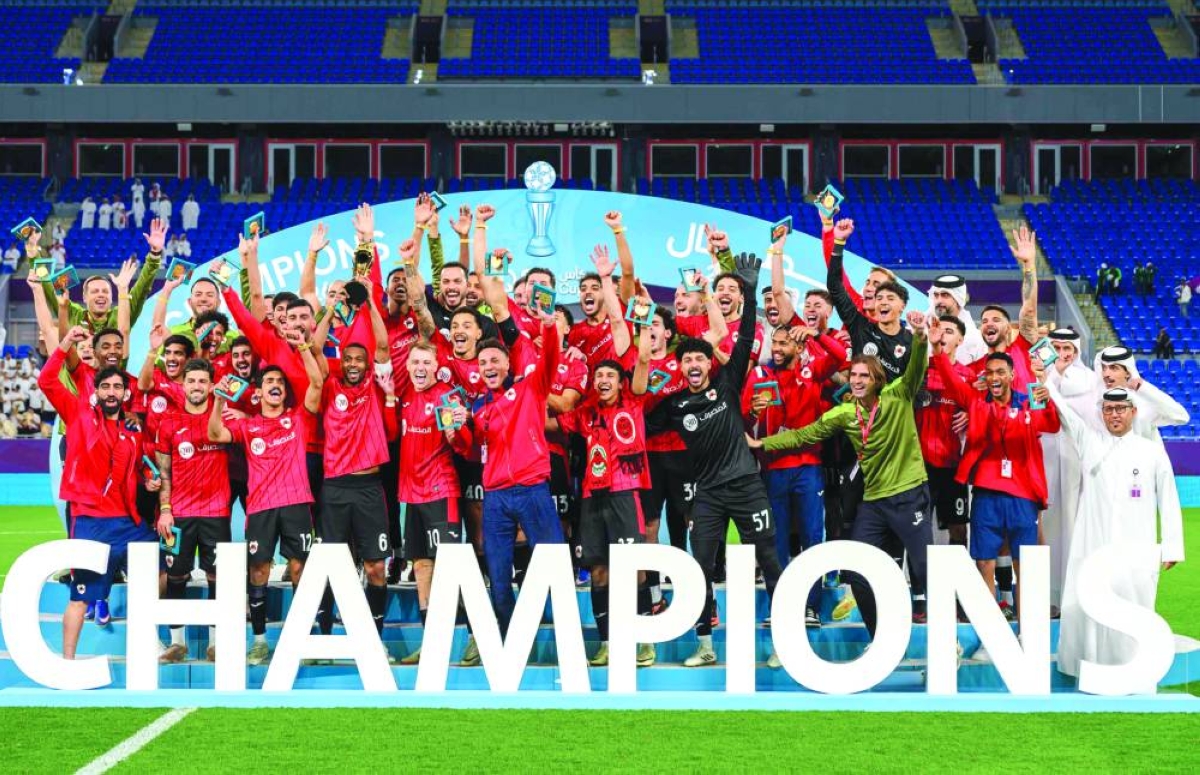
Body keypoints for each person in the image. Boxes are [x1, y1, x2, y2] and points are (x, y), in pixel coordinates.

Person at [752, 311, 933, 646]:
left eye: (865, 375)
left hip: (909, 495)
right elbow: (804, 435)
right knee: (857, 574)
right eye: (854, 375)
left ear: (878, 380)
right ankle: (882, 640)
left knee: (927, 570)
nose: (858, 380)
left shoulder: (898, 395)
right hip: (874, 501)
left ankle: (944, 639)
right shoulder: (845, 413)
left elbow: (916, 366)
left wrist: (921, 337)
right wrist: (763, 442)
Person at [661, 253, 784, 668]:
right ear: (680, 367)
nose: (694, 363)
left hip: (748, 487)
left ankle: (785, 642)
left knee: (768, 559)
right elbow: (633, 404)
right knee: (700, 568)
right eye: (687, 359)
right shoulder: (674, 405)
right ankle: (705, 643)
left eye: (700, 358)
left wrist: (749, 291)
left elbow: (747, 339)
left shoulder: (728, 385)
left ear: (710, 363)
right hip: (709, 495)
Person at [1049, 384, 1184, 693]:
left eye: (1120, 409)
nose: (1114, 415)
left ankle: (1133, 669)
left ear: (1133, 412)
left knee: (1134, 602)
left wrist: (1172, 546)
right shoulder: (1090, 443)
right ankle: (1091, 670)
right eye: (1108, 410)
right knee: (1087, 609)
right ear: (1102, 413)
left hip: (1136, 547)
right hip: (1093, 546)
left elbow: (1169, 497)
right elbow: (1066, 415)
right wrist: (1045, 383)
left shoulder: (1151, 451)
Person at [37, 326, 157, 659]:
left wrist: (149, 480)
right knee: (80, 597)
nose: (111, 392)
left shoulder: (133, 431)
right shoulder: (77, 413)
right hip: (90, 521)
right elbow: (46, 382)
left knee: (160, 575)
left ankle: (154, 646)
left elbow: (142, 468)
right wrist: (63, 345)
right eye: (105, 386)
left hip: (129, 523)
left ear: (124, 393)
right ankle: (68, 661)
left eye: (118, 386)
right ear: (97, 390)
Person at [447, 306, 565, 636]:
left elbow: (550, 361)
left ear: (507, 363)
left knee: (552, 567)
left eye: (494, 360)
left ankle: (560, 644)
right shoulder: (478, 406)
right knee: (498, 578)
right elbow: (471, 449)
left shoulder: (530, 387)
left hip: (532, 490)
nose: (488, 366)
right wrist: (456, 430)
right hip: (496, 497)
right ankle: (509, 643)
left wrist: (549, 328)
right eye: (483, 363)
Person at [928, 323, 1060, 616]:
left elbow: (1050, 425)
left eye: (1001, 372)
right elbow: (950, 380)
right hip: (986, 493)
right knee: (984, 562)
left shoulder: (1029, 402)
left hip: (1022, 495)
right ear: (983, 378)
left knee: (1022, 563)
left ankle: (1028, 628)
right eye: (990, 373)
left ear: (1013, 376)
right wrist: (937, 349)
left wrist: (1043, 389)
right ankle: (990, 629)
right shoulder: (975, 401)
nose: (995, 377)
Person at [207, 341, 325, 666]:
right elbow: (215, 434)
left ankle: (303, 639)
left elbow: (317, 384)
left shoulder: (298, 419)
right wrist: (218, 402)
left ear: (285, 393)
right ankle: (259, 641)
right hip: (260, 507)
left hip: (297, 503)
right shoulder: (248, 426)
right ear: (258, 393)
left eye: (280, 383)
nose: (275, 386)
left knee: (300, 568)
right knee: (258, 569)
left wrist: (303, 349)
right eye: (269, 382)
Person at [553, 330, 656, 668]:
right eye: (599, 375)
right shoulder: (584, 412)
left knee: (634, 568)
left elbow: (642, 362)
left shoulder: (635, 402)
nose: (603, 380)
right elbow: (550, 421)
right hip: (591, 497)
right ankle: (608, 643)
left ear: (620, 382)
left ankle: (644, 642)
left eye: (610, 375)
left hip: (625, 493)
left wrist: (643, 331)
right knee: (598, 571)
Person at [744, 323, 847, 626]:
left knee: (811, 538)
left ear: (799, 348)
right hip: (773, 467)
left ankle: (811, 606)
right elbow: (744, 417)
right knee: (773, 541)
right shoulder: (759, 375)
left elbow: (840, 356)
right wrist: (753, 411)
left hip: (807, 467)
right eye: (774, 343)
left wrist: (816, 335)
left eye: (784, 343)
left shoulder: (812, 370)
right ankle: (780, 605)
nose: (776, 349)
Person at [314, 282, 397, 647]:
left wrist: (371, 306)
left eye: (358, 360)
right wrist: (330, 307)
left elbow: (381, 346)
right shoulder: (330, 384)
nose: (352, 364)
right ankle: (326, 639)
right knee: (333, 565)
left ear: (366, 365)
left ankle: (373, 637)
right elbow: (314, 348)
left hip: (368, 488)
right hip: (334, 487)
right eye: (347, 358)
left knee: (376, 566)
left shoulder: (376, 387)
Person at [154, 359, 230, 664]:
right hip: (179, 515)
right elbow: (165, 473)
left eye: (202, 381)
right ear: (182, 385)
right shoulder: (168, 423)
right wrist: (165, 510)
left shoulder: (223, 418)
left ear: (210, 385)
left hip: (216, 513)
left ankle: (215, 643)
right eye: (192, 381)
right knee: (175, 576)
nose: (197, 386)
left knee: (217, 577)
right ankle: (177, 643)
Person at [393, 341, 465, 665]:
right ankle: (430, 645)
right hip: (412, 494)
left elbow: (464, 445)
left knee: (449, 571)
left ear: (436, 366)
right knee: (421, 568)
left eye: (426, 361)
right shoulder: (406, 396)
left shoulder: (446, 397)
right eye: (415, 362)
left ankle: (477, 637)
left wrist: (456, 435)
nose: (420, 367)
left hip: (440, 491)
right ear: (407, 366)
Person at [1040, 327, 1098, 614]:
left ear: (1076, 352)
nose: (1062, 355)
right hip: (1045, 458)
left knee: (1075, 527)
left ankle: (1075, 594)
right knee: (1046, 529)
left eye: (1068, 350)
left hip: (1077, 462)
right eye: (1057, 348)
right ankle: (1049, 596)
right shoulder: (1038, 376)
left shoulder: (1091, 381)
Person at [40, 219, 164, 334]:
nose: (101, 294)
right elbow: (49, 290)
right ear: (84, 297)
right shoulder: (74, 314)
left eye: (105, 291)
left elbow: (142, 289)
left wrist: (155, 254)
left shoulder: (121, 315)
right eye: (95, 291)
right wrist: (33, 253)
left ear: (111, 297)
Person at [826, 219, 913, 382]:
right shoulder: (858, 323)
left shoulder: (910, 340)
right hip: (856, 400)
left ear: (901, 305)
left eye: (877, 286)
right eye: (868, 283)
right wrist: (837, 241)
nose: (868, 288)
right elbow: (835, 283)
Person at [916, 315, 973, 549]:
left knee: (958, 529)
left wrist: (971, 413)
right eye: (939, 330)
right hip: (919, 466)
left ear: (960, 340)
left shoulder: (969, 376)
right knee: (917, 526)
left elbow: (982, 408)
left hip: (954, 467)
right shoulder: (919, 369)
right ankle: (918, 583)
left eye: (949, 331)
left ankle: (955, 584)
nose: (942, 335)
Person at [1092, 346, 1190, 446]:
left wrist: (1145, 390)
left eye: (1114, 368)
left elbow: (1182, 417)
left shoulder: (1144, 401)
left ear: (1128, 372)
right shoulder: (1095, 403)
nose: (1106, 374)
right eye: (1104, 368)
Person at [927, 274, 986, 366]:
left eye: (945, 295)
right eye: (936, 295)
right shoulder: (923, 327)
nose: (938, 301)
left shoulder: (973, 336)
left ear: (958, 298)